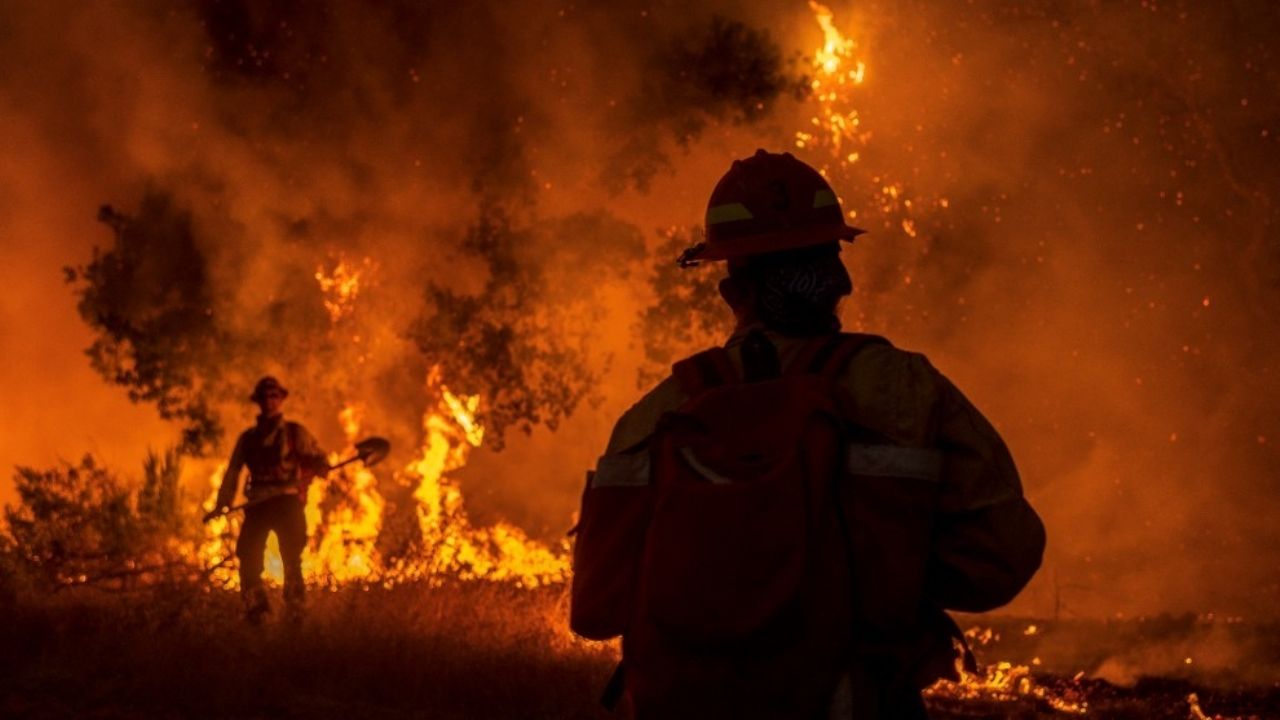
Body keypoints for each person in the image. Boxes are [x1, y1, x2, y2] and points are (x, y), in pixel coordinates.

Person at [570, 150, 1045, 718]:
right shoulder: (905, 388)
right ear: (836, 279)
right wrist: (885, 576)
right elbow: (1004, 558)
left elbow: (596, 610)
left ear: (730, 290)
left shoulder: (658, 415)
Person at [210, 376, 328, 623]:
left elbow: (318, 459)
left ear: (281, 399)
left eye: (274, 396)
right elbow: (233, 471)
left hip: (287, 502)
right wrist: (222, 504)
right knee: (249, 556)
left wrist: (319, 466)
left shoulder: (296, 433)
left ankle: (295, 612)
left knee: (292, 558)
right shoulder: (248, 438)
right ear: (258, 401)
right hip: (258, 504)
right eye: (265, 397)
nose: (269, 401)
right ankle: (257, 610)